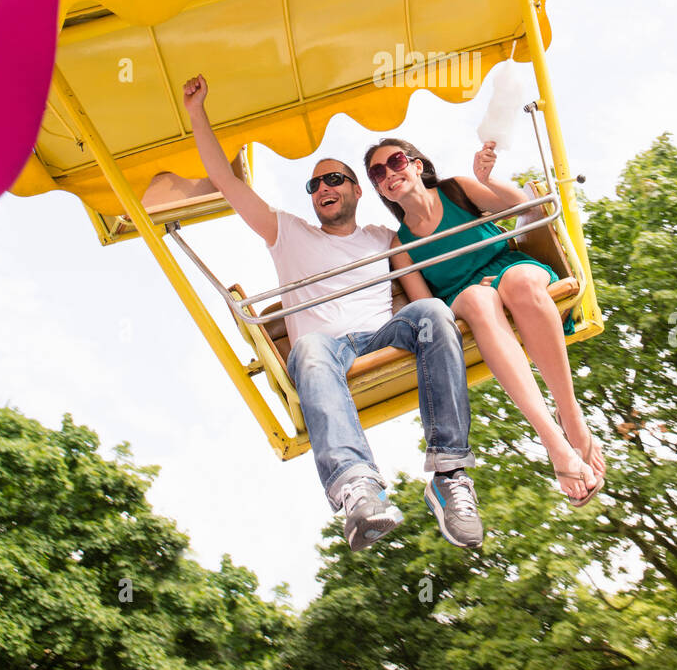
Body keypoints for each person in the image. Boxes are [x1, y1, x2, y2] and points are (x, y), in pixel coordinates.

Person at [182, 75, 482, 552]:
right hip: (327, 349)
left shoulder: (382, 239)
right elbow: (224, 180)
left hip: (383, 334)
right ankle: (357, 487)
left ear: (358, 191)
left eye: (334, 178)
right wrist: (197, 112)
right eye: (314, 182)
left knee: (429, 313)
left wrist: (473, 300)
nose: (323, 186)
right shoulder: (286, 231)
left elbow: (425, 296)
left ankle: (449, 474)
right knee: (312, 348)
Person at [365, 136, 606, 506]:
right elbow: (429, 307)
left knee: (522, 283)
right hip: (463, 296)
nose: (389, 174)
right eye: (378, 173)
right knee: (480, 299)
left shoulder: (457, 190)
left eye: (395, 161)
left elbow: (523, 207)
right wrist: (479, 289)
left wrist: (488, 180)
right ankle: (554, 442)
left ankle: (570, 414)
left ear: (416, 164)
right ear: (380, 188)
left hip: (506, 268)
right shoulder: (401, 246)